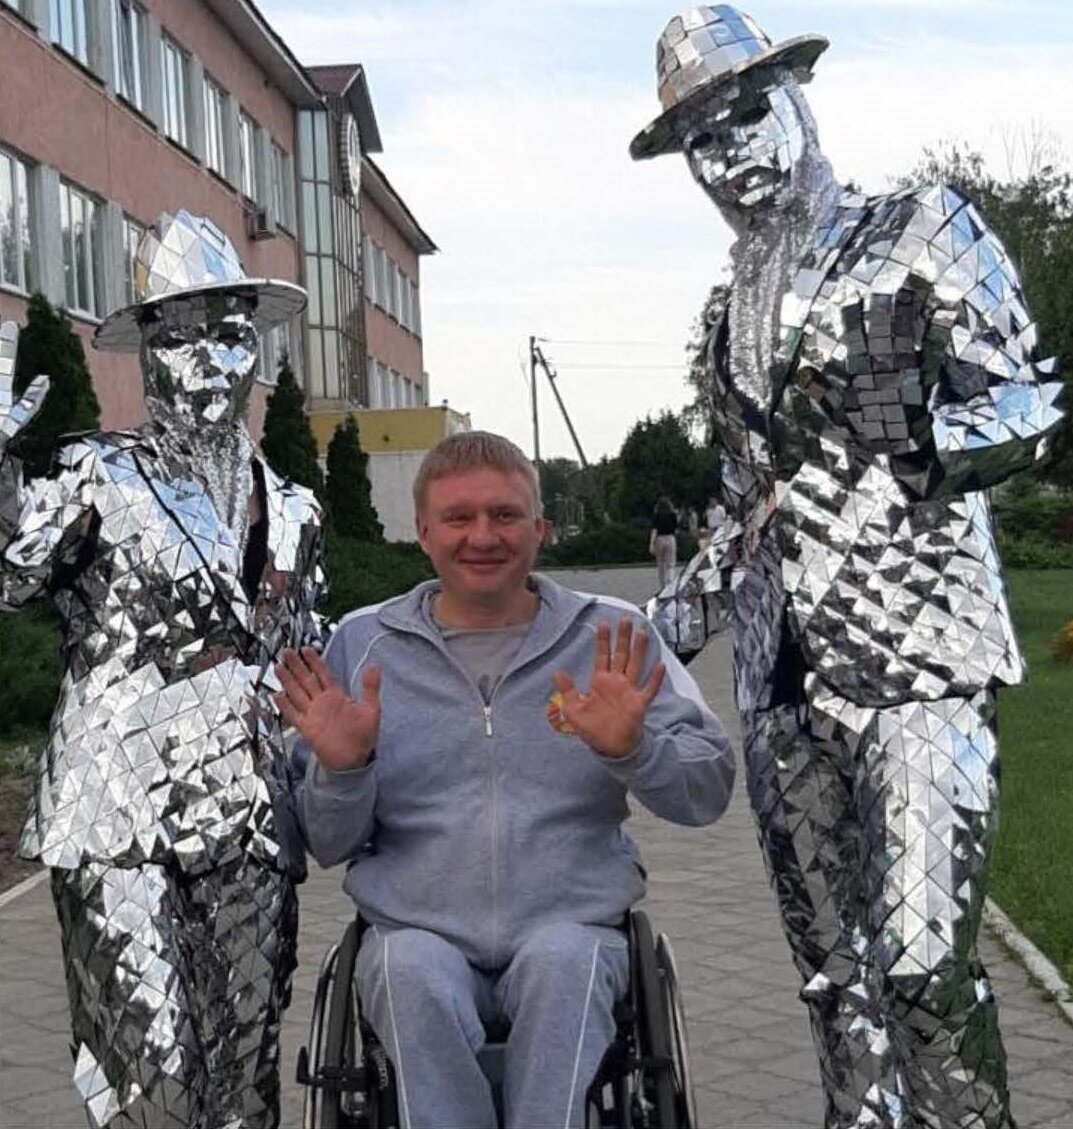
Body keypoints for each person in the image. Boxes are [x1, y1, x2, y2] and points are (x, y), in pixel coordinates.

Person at [631, 8, 1062, 1129]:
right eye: (701, 142)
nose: (729, 154)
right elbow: (751, 504)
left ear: (796, 98)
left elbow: (1030, 398)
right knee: (835, 984)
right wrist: (656, 626)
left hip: (919, 660)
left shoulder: (923, 226)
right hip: (781, 683)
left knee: (920, 970)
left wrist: (924, 442)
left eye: (745, 116)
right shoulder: (726, 312)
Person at [275, 431, 735, 1129]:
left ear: (539, 529)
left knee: (566, 963)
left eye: (504, 515)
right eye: (458, 517)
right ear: (423, 532)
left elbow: (709, 789)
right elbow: (329, 844)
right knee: (406, 969)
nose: (482, 536)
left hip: (571, 921)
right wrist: (344, 770)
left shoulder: (612, 635)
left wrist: (636, 750)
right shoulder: (363, 644)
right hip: (414, 925)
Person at [0, 211, 324, 1128]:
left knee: (245, 1086)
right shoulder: (96, 474)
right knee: (156, 1083)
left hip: (250, 821)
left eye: (229, 336)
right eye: (179, 339)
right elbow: (10, 570)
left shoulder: (294, 508)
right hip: (118, 820)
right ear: (147, 353)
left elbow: (310, 653)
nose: (209, 362)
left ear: (254, 350)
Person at [648, 494, 679, 588]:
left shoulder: (656, 515)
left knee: (661, 564)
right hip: (670, 538)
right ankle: (671, 582)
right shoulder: (673, 515)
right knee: (671, 564)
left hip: (660, 539)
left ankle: (663, 586)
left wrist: (651, 544)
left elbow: (654, 530)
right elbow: (676, 528)